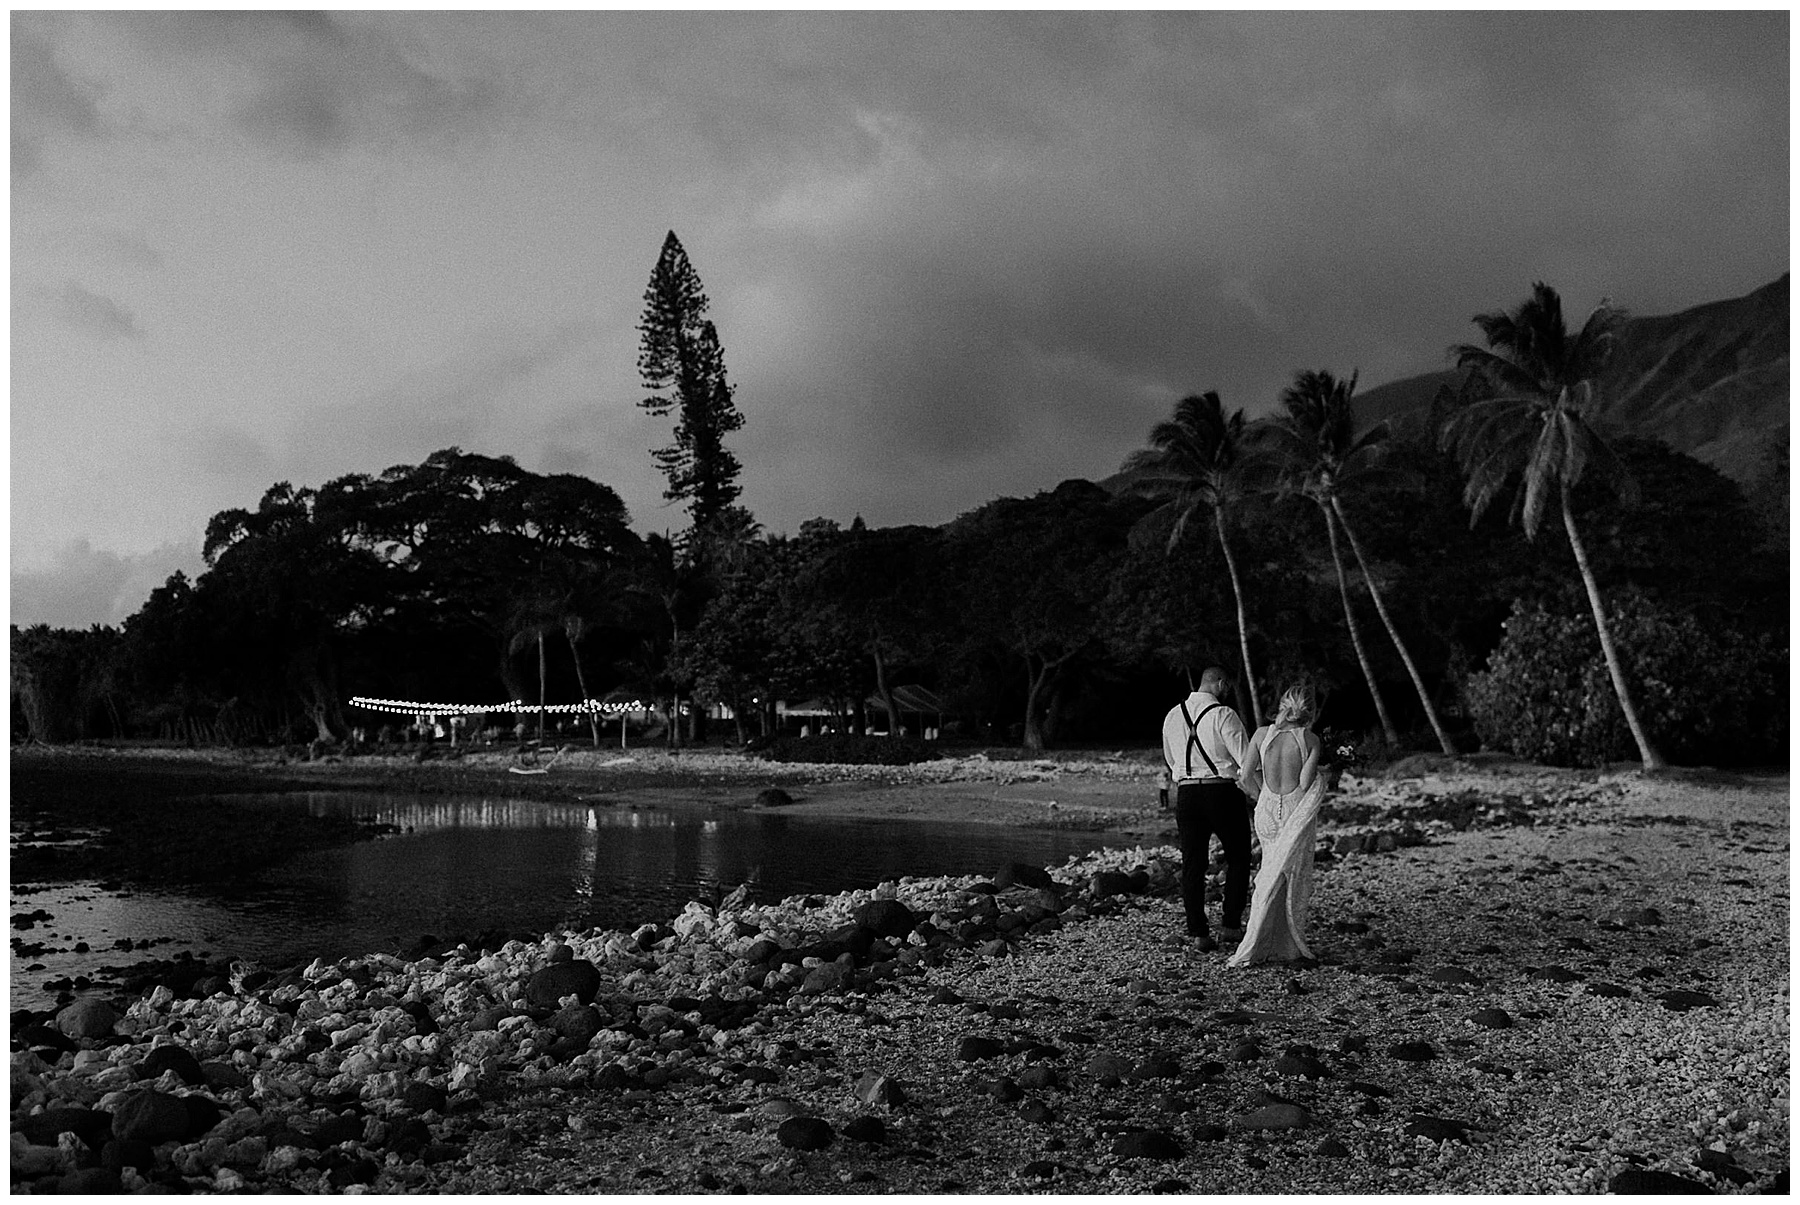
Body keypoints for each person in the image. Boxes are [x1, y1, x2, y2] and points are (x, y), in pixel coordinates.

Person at [1228, 682, 1327, 967]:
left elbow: (1245, 777)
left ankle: (1259, 941)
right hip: (1294, 810)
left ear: (1283, 704)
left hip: (1268, 810)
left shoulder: (1261, 734)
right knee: (1291, 876)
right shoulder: (1309, 739)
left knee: (1268, 872)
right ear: (1310, 711)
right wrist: (1324, 773)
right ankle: (1285, 943)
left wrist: (1261, 799)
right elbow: (1306, 783)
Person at [1160, 666, 1251, 950]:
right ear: (1220, 683)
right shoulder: (1224, 715)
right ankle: (1231, 925)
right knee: (1238, 857)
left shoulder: (1173, 715)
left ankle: (1199, 932)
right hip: (1222, 791)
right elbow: (1246, 761)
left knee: (1193, 864)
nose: (1228, 692)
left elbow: (1170, 759)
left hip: (1186, 793)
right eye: (1227, 687)